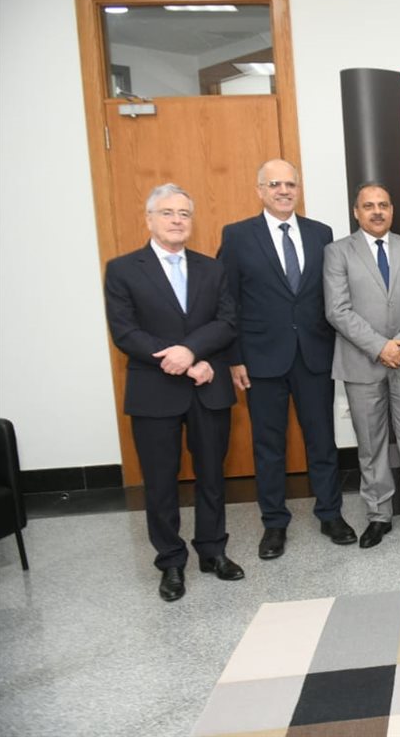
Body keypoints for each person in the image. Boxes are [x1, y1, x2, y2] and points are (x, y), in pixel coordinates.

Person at [104, 183, 243, 601]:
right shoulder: (123, 269)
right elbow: (125, 332)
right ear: (149, 219)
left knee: (212, 476)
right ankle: (170, 561)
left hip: (208, 386)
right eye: (167, 213)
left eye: (184, 213)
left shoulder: (212, 269)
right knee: (160, 483)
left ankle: (213, 551)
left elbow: (227, 321)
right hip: (155, 390)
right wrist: (180, 359)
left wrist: (192, 352)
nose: (177, 220)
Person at [219, 159, 357, 559]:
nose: (283, 191)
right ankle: (274, 523)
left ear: (298, 189)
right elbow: (228, 300)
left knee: (322, 441)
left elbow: (328, 294)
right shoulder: (237, 236)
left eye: (290, 184)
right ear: (260, 190)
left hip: (313, 355)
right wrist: (234, 357)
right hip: (261, 359)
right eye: (274, 184)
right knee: (269, 446)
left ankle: (330, 514)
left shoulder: (320, 233)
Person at [324, 182, 400, 548]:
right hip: (362, 362)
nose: (377, 211)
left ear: (392, 210)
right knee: (371, 445)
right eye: (369, 205)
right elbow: (337, 310)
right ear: (356, 212)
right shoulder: (337, 252)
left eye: (383, 205)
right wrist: (380, 348)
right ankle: (379, 514)